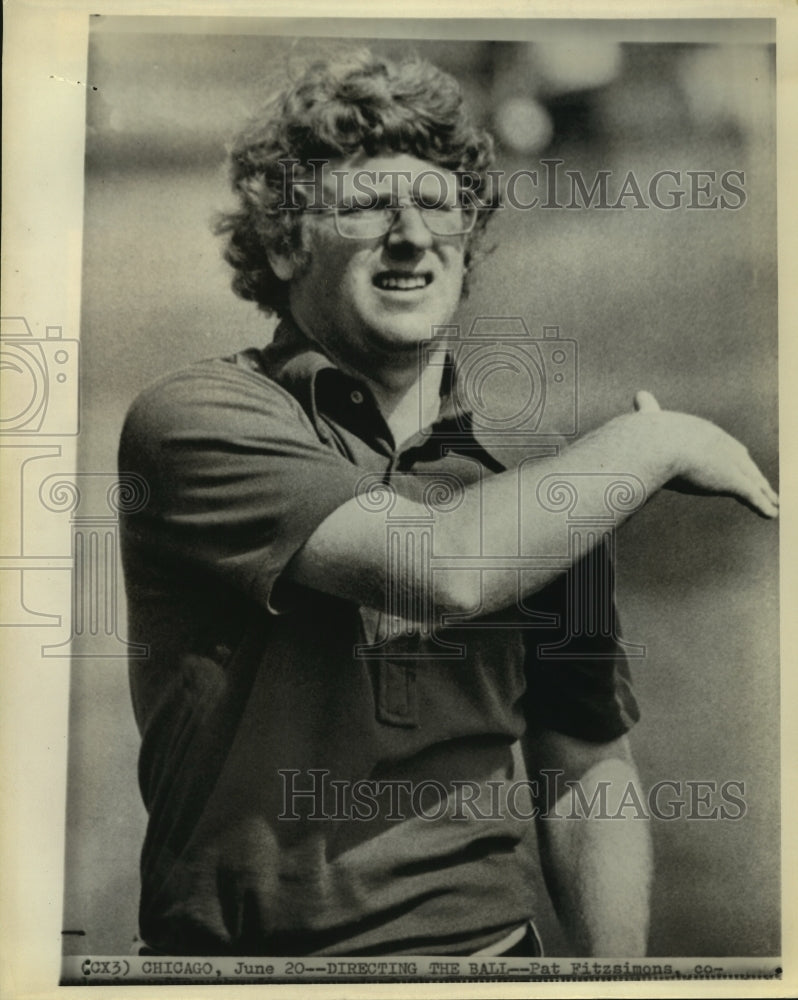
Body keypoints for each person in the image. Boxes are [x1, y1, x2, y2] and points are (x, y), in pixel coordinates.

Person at [118, 50, 778, 959]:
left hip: (491, 958)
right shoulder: (197, 418)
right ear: (284, 243)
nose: (411, 236)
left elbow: (584, 759)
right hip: (249, 974)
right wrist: (655, 442)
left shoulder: (537, 482)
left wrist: (616, 980)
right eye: (365, 205)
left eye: (438, 205)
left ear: (468, 243)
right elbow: (442, 567)